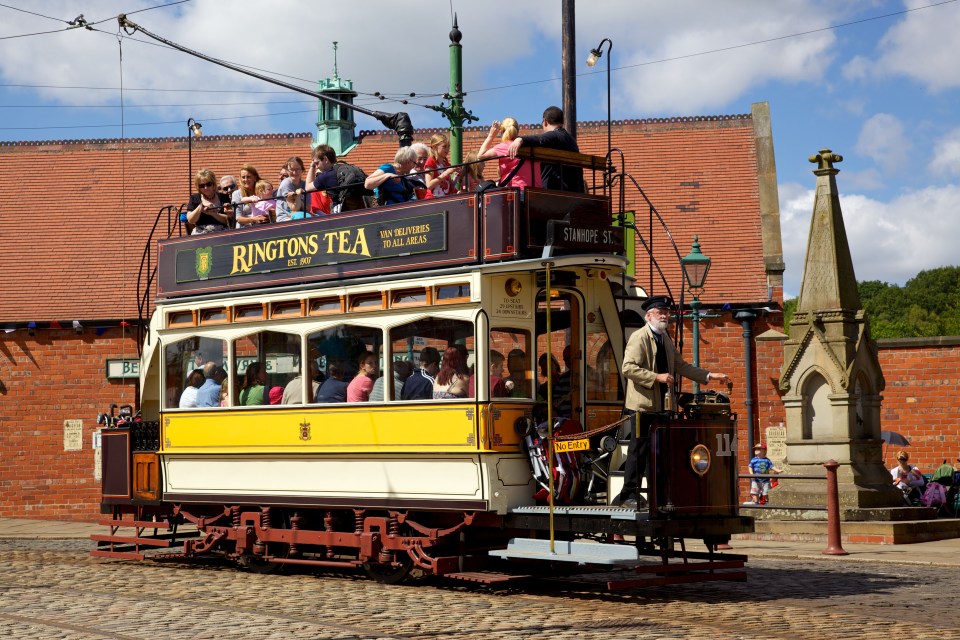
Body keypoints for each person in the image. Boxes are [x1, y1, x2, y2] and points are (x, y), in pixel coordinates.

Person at [617, 295, 730, 509]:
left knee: (660, 454)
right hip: (642, 407)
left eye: (667, 313)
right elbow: (628, 368)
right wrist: (656, 377)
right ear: (649, 315)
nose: (665, 316)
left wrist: (709, 376)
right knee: (638, 451)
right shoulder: (639, 337)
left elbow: (681, 365)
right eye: (661, 312)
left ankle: (658, 498)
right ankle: (628, 495)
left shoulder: (664, 338)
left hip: (661, 407)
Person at [507, 106, 584, 192]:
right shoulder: (571, 140)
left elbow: (540, 139)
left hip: (555, 192)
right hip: (575, 190)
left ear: (545, 122)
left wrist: (520, 139)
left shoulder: (555, 135)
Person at [477, 118, 541, 188]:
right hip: (536, 191)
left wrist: (491, 135)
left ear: (502, 132)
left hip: (515, 190)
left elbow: (480, 156)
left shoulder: (504, 146)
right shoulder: (531, 146)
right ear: (518, 131)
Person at [186, 169, 231, 235]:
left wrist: (213, 213)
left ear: (213, 184)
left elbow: (229, 221)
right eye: (202, 186)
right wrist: (200, 207)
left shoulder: (224, 197)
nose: (206, 188)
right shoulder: (195, 198)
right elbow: (190, 220)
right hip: (201, 232)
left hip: (222, 232)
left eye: (208, 184)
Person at [423, 133, 458, 197]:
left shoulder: (446, 164)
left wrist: (456, 177)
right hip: (433, 199)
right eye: (444, 146)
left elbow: (449, 187)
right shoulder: (431, 162)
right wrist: (445, 173)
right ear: (434, 147)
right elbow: (429, 185)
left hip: (444, 199)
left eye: (448, 146)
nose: (447, 149)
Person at [275, 156, 306, 222]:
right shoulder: (286, 183)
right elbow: (294, 208)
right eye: (291, 169)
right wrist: (298, 196)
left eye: (297, 169)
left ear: (302, 170)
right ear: (287, 171)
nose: (294, 172)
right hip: (285, 218)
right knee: (300, 216)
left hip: (302, 215)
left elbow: (308, 208)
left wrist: (299, 197)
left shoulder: (305, 184)